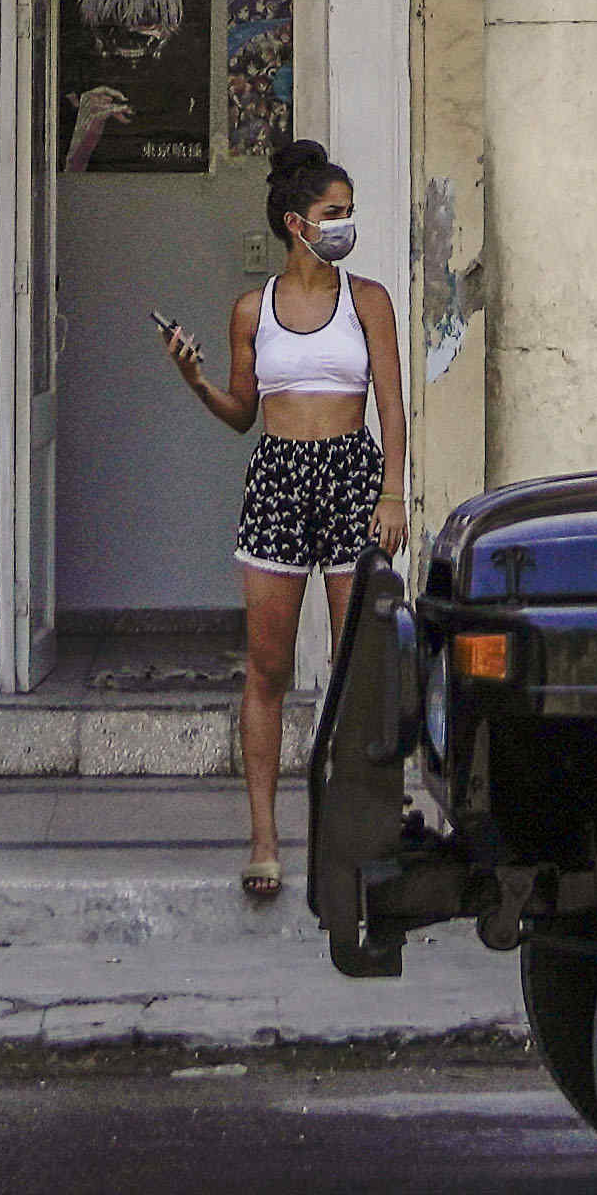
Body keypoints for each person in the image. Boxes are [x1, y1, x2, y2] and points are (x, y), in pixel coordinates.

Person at [161, 132, 411, 885]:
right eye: (334, 211)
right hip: (277, 473)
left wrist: (392, 489)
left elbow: (391, 407)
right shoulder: (252, 308)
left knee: (354, 668)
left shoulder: (368, 300)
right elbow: (242, 412)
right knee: (266, 666)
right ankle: (263, 839)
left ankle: (353, 834)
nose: (345, 223)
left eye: (351, 211)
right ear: (297, 222)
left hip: (350, 473)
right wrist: (194, 378)